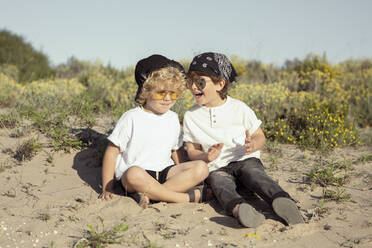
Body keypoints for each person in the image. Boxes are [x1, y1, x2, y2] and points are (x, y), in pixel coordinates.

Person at [183, 52, 304, 227]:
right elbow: (192, 150)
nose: (194, 87)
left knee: (256, 175)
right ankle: (239, 209)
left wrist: (253, 144)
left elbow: (259, 135)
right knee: (220, 185)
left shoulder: (239, 108)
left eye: (200, 82)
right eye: (190, 82)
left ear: (220, 84)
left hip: (244, 159)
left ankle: (282, 200)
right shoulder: (190, 116)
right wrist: (205, 157)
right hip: (217, 167)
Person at [99, 54, 209, 207]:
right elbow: (112, 151)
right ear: (146, 91)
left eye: (174, 94)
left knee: (201, 168)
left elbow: (175, 150)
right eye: (161, 92)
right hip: (138, 174)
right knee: (133, 174)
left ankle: (152, 195)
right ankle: (183, 198)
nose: (168, 98)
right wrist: (107, 187)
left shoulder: (172, 118)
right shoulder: (131, 117)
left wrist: (182, 171)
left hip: (166, 173)